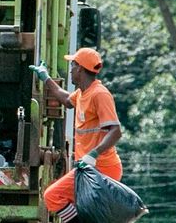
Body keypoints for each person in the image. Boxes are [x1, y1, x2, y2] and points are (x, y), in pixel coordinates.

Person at [29, 47, 122, 223]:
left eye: (72, 65)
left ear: (79, 68)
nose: (70, 70)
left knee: (52, 196)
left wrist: (93, 154)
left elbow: (116, 131)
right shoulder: (82, 93)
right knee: (84, 211)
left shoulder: (100, 94)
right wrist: (46, 78)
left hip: (101, 168)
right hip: (90, 168)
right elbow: (65, 100)